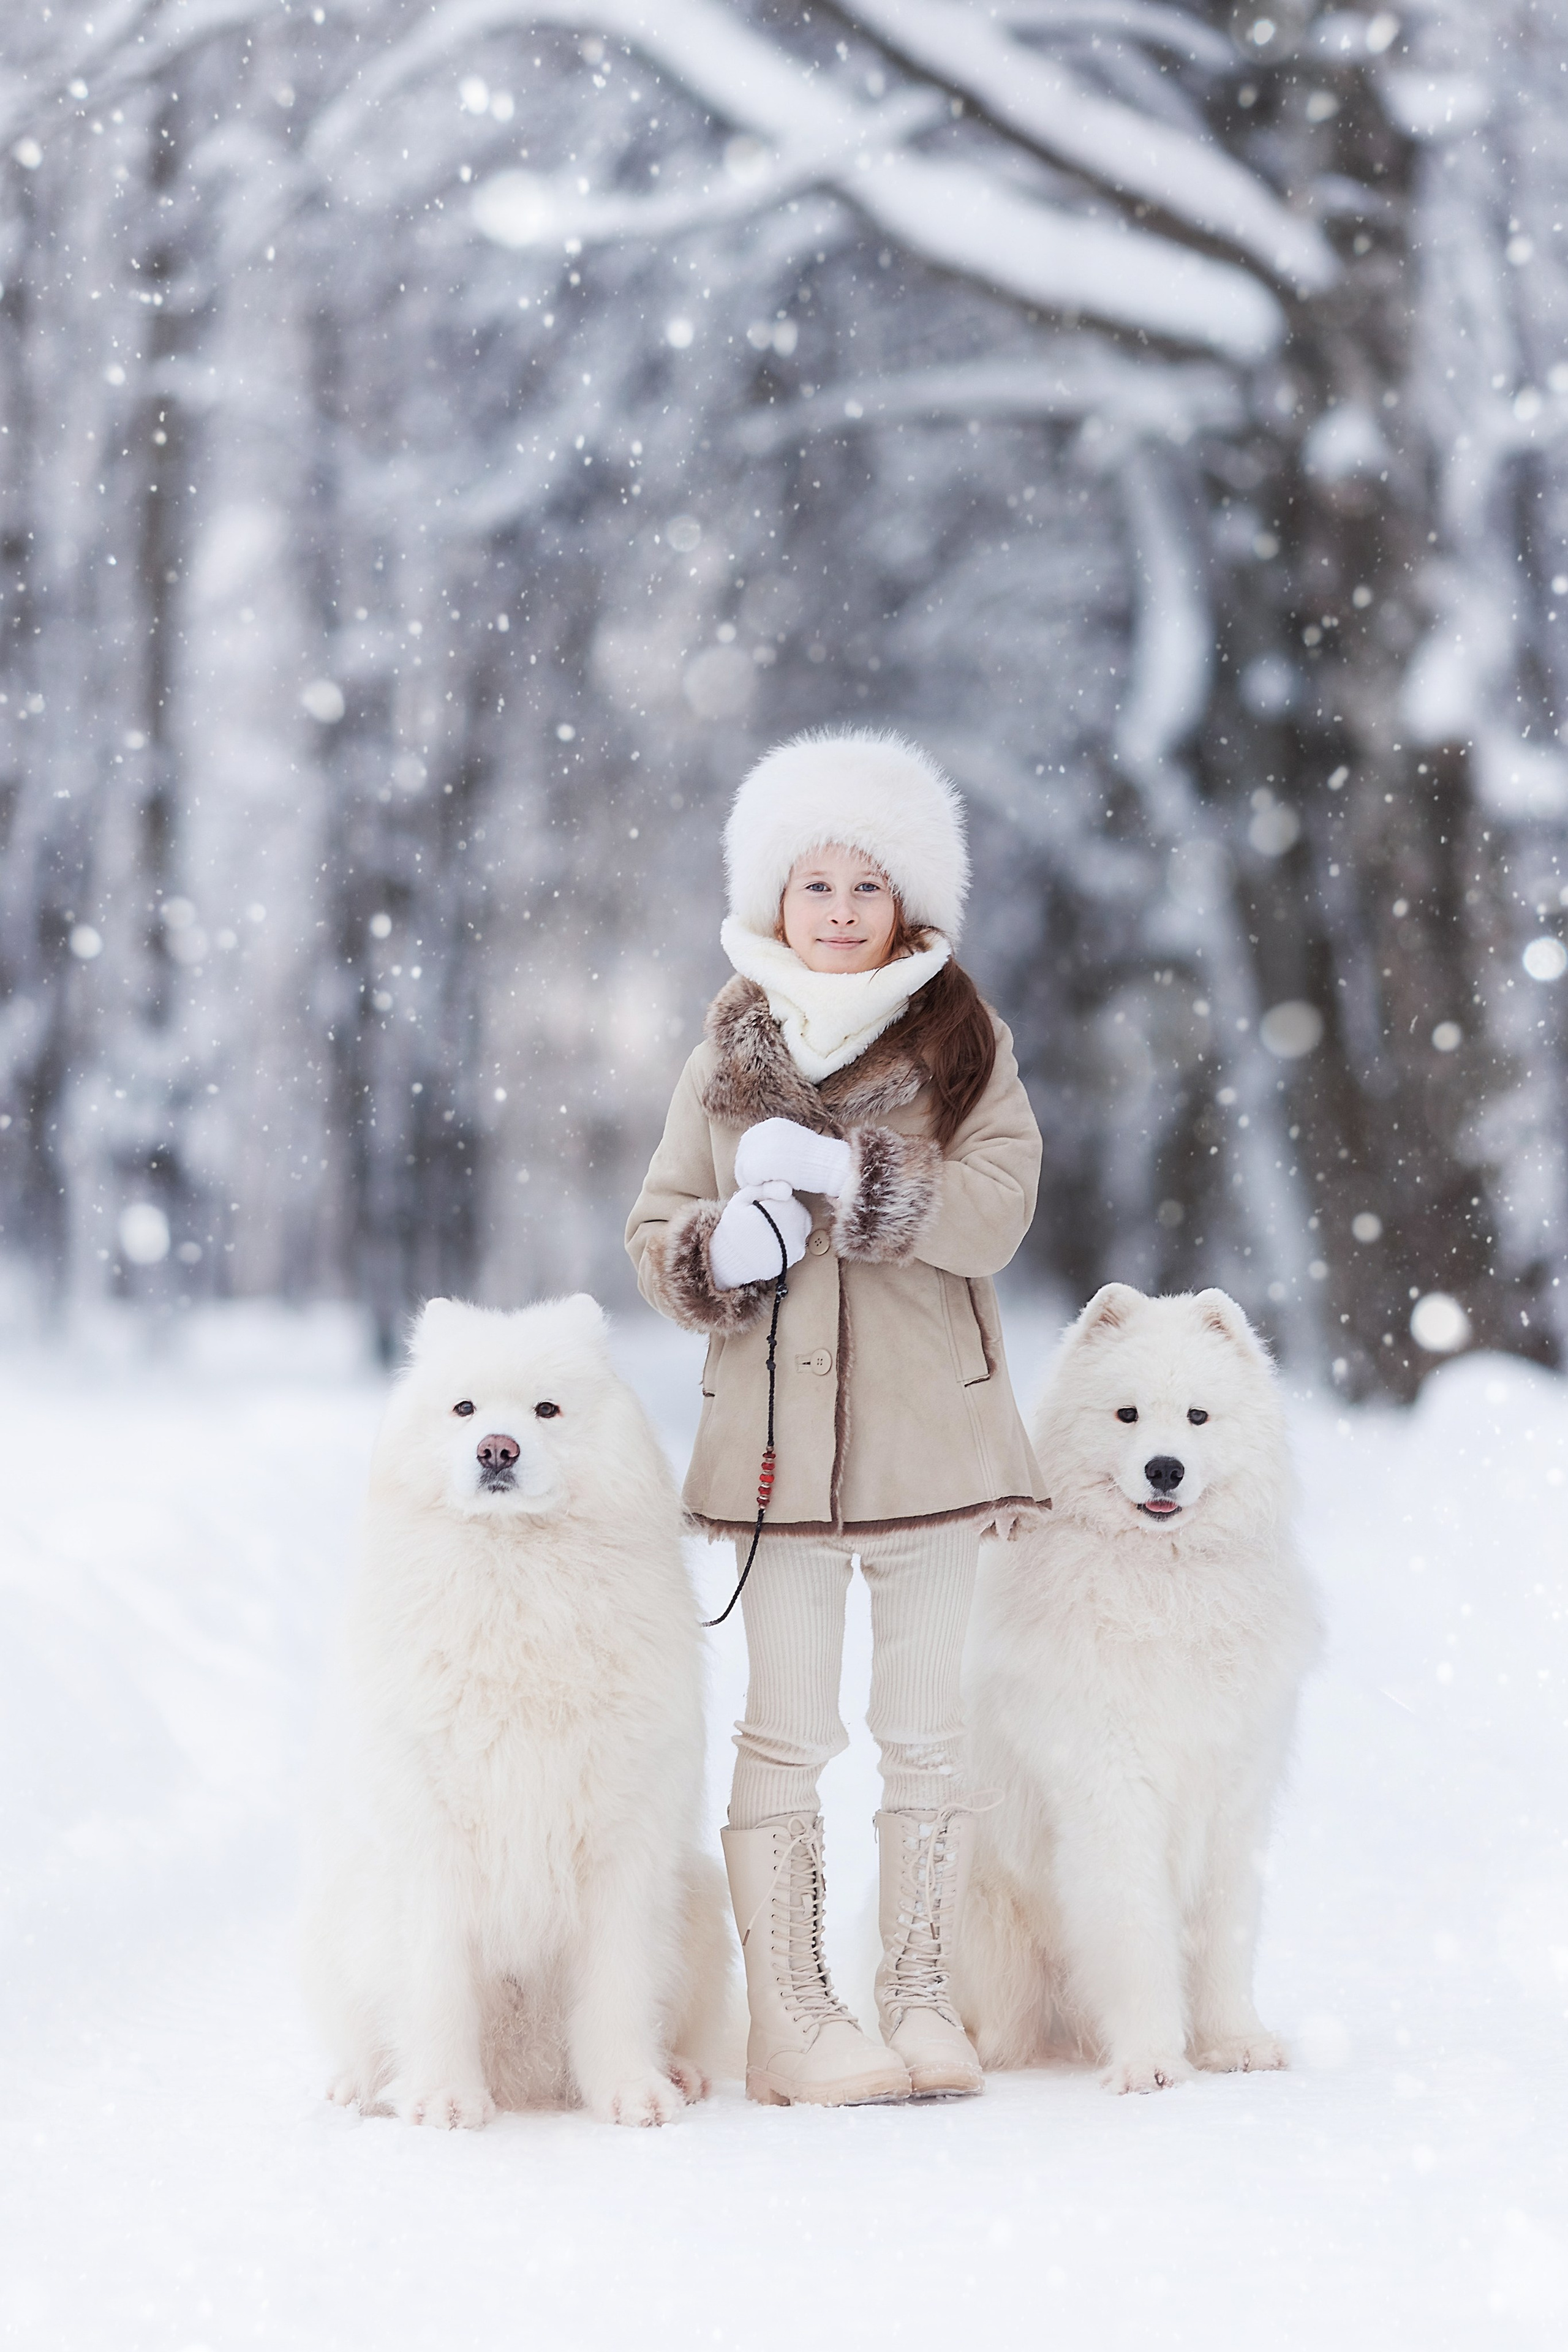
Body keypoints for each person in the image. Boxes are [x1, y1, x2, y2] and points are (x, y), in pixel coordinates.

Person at [626, 729, 1047, 2106]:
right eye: (816, 884)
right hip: (777, 1462)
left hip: (934, 1449)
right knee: (788, 1734)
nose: (843, 910)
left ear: (910, 902)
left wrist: (858, 1179)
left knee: (928, 1734)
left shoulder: (961, 1036)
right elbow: (654, 1228)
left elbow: (995, 1210)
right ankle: (792, 2021)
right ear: (773, 899)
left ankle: (919, 1995)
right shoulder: (724, 1050)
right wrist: (716, 1253)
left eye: (869, 885)